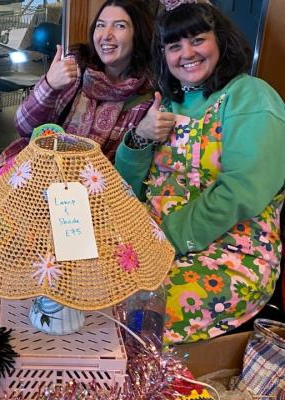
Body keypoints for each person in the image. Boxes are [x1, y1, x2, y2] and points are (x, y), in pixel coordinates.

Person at [115, 0, 285, 344]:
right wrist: (139, 137)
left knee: (130, 318)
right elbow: (124, 187)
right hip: (151, 240)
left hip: (231, 252)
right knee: (85, 289)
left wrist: (163, 243)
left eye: (197, 39)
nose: (186, 53)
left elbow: (241, 191)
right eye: (174, 46)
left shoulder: (251, 97)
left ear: (220, 39)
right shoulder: (169, 103)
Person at [6, 0, 155, 164]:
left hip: (96, 186)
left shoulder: (146, 98)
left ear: (139, 34)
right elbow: (23, 128)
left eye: (120, 26)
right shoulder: (74, 69)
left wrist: (142, 136)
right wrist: (49, 85)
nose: (106, 35)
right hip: (40, 175)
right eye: (100, 25)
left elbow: (127, 172)